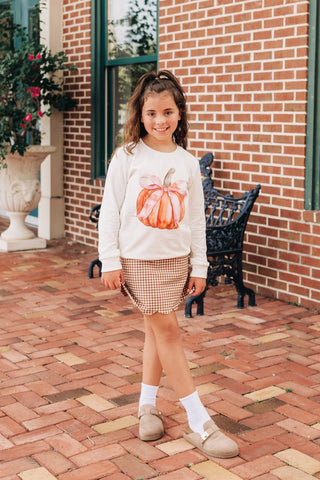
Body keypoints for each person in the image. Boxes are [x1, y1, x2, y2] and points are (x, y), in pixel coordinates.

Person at [98, 70, 238, 458]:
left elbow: (195, 220)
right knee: (170, 332)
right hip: (139, 261)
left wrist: (200, 266)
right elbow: (110, 211)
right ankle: (200, 423)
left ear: (180, 114)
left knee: (155, 333)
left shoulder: (188, 162)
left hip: (176, 260)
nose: (160, 121)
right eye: (151, 113)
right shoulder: (127, 156)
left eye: (168, 112)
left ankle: (146, 407)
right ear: (140, 116)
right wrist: (109, 258)